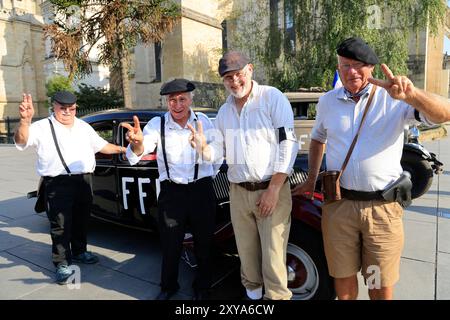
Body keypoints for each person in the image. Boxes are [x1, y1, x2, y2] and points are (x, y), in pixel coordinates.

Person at [292, 37, 450, 300]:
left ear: (372, 68)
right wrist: (311, 179)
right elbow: (318, 138)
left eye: (358, 65)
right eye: (345, 65)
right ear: (338, 67)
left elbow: (444, 113)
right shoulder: (328, 102)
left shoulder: (394, 100)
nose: (351, 71)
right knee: (343, 284)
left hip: (380, 211)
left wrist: (412, 94)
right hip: (339, 209)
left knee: (378, 285)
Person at [189, 51, 298, 300]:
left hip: (272, 188)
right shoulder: (225, 111)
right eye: (228, 77)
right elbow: (218, 152)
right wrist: (203, 147)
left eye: (238, 74)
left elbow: (287, 144)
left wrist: (273, 189)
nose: (234, 81)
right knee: (247, 259)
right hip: (238, 192)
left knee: (273, 261)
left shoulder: (271, 97)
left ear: (250, 69)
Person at [121, 79, 219, 300]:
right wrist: (136, 143)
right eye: (172, 100)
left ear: (190, 99)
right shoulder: (158, 125)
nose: (177, 105)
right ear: (167, 102)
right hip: (172, 193)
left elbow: (218, 157)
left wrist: (204, 149)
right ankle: (168, 287)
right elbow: (138, 151)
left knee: (204, 243)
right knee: (170, 244)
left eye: (182, 99)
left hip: (201, 191)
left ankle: (203, 288)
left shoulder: (204, 121)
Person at [14, 90, 125, 284]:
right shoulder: (41, 127)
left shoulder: (83, 126)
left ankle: (80, 251)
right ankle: (62, 263)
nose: (67, 112)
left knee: (82, 219)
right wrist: (25, 121)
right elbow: (21, 141)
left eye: (71, 109)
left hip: (83, 180)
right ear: (53, 106)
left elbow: (102, 146)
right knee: (60, 224)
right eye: (62, 108)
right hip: (58, 182)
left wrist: (126, 149)